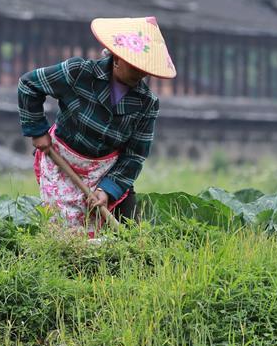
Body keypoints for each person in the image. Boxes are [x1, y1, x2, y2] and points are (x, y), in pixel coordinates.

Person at [17, 16, 176, 233]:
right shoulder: (79, 73)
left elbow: (134, 155)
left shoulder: (147, 103)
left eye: (145, 68)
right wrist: (37, 131)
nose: (141, 73)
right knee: (64, 234)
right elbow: (29, 84)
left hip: (106, 170)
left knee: (129, 233)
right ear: (117, 58)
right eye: (135, 66)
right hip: (62, 161)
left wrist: (107, 190)